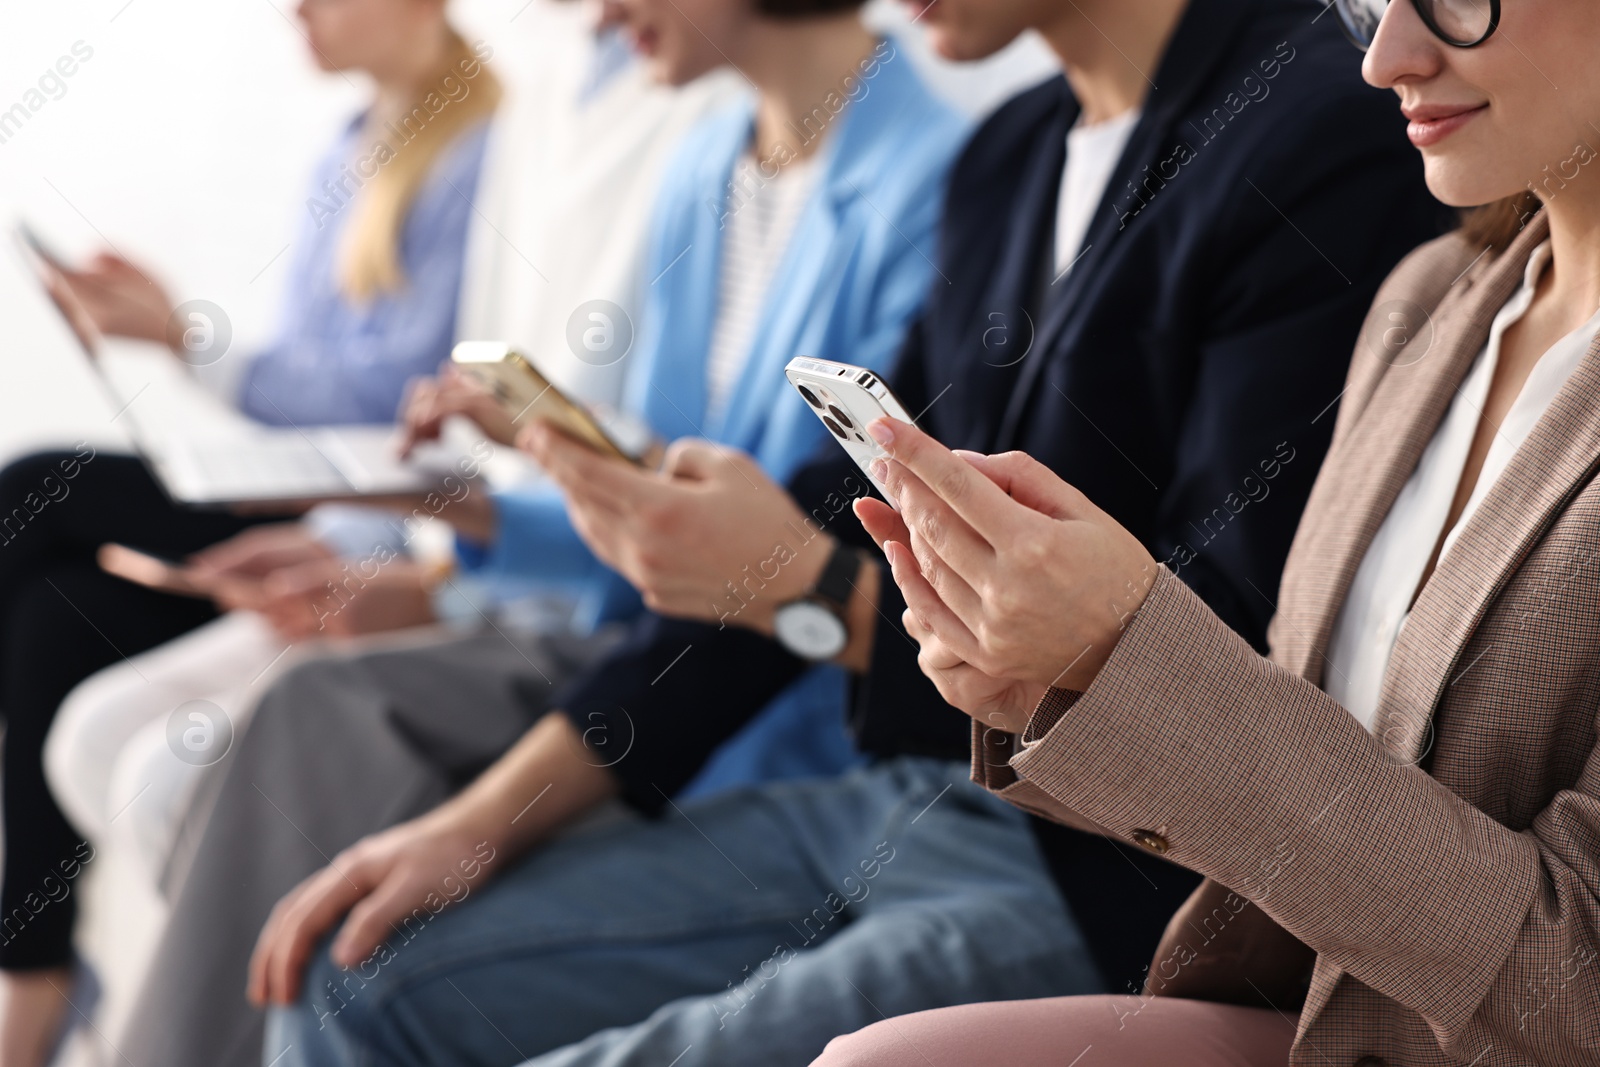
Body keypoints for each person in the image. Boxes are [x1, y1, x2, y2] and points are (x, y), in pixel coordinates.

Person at [246, 0, 1447, 1064]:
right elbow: (828, 519)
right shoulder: (1009, 156)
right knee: (356, 978)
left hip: (1102, 873)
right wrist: (469, 827)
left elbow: (1228, 643)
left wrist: (801, 588)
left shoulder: (1316, 128)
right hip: (904, 800)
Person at [112, 0, 967, 1063]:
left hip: (773, 690)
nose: (601, 13)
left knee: (328, 849)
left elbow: (791, 542)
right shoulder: (706, 161)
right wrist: (481, 506)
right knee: (301, 713)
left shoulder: (943, 179)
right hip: (652, 635)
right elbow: (665, 500)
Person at [815, 0, 1600, 1064]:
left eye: (1458, 0)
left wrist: (1124, 650)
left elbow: (1577, 977)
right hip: (1303, 1004)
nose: (1384, 60)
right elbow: (1304, 745)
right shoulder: (1429, 304)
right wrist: (1070, 687)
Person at [0, 1, 498, 1063]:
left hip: (384, 518)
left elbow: (398, 405)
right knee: (47, 617)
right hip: (316, 497)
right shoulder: (356, 145)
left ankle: (37, 981)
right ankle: (36, 972)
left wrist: (186, 338)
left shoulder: (486, 149)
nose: (295, 10)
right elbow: (317, 385)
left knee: (36, 490)